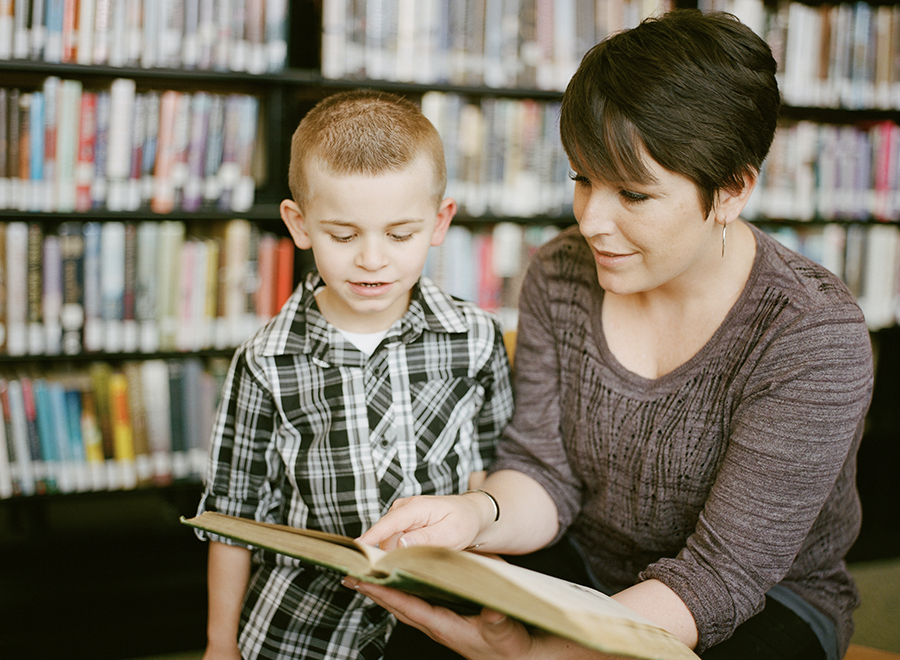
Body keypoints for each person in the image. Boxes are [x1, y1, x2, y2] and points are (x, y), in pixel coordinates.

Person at [351, 10, 874, 660]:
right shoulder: (560, 272)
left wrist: (538, 654)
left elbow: (721, 576)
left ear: (733, 190)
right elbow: (544, 473)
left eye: (633, 194)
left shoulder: (811, 332)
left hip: (765, 604)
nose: (592, 220)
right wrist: (473, 516)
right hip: (590, 568)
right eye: (582, 179)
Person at [194, 89, 515, 660]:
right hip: (303, 626)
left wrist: (494, 602)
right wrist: (221, 645)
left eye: (400, 234)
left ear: (440, 222)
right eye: (343, 236)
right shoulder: (265, 362)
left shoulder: (475, 338)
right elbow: (230, 518)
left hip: (443, 617)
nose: (372, 259)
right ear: (299, 225)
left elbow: (492, 477)